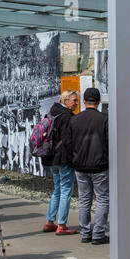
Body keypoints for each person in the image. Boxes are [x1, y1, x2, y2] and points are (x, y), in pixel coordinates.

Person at [64, 88, 109, 245]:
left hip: (80, 166)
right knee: (102, 199)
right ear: (99, 102)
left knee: (84, 200)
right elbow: (109, 143)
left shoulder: (74, 120)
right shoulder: (104, 119)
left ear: (83, 101)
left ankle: (85, 233)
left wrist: (73, 161)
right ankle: (98, 234)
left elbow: (67, 144)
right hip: (100, 166)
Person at [42, 90, 79, 235]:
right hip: (63, 159)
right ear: (65, 101)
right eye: (74, 100)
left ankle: (50, 222)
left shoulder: (53, 113)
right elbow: (68, 141)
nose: (76, 103)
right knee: (65, 192)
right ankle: (62, 225)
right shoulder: (67, 117)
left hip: (51, 158)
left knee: (57, 190)